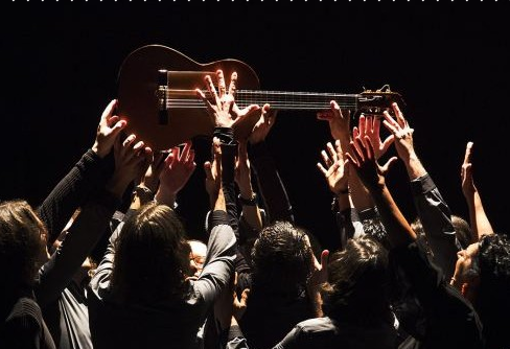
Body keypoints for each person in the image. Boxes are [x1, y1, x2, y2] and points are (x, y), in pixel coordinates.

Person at [87, 69, 260, 348]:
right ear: (176, 258)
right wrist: (224, 143)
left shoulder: (100, 291)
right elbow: (223, 247)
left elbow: (119, 243)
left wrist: (159, 189)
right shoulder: (189, 302)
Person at [449, 141, 510, 349]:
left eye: (464, 255)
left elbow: (408, 251)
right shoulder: (498, 312)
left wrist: (378, 185)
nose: (459, 253)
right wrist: (470, 192)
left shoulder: (456, 328)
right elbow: (488, 251)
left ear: (471, 282)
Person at [0, 200, 56, 349]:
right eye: (39, 229)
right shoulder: (24, 311)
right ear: (25, 240)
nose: (45, 233)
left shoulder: (15, 298)